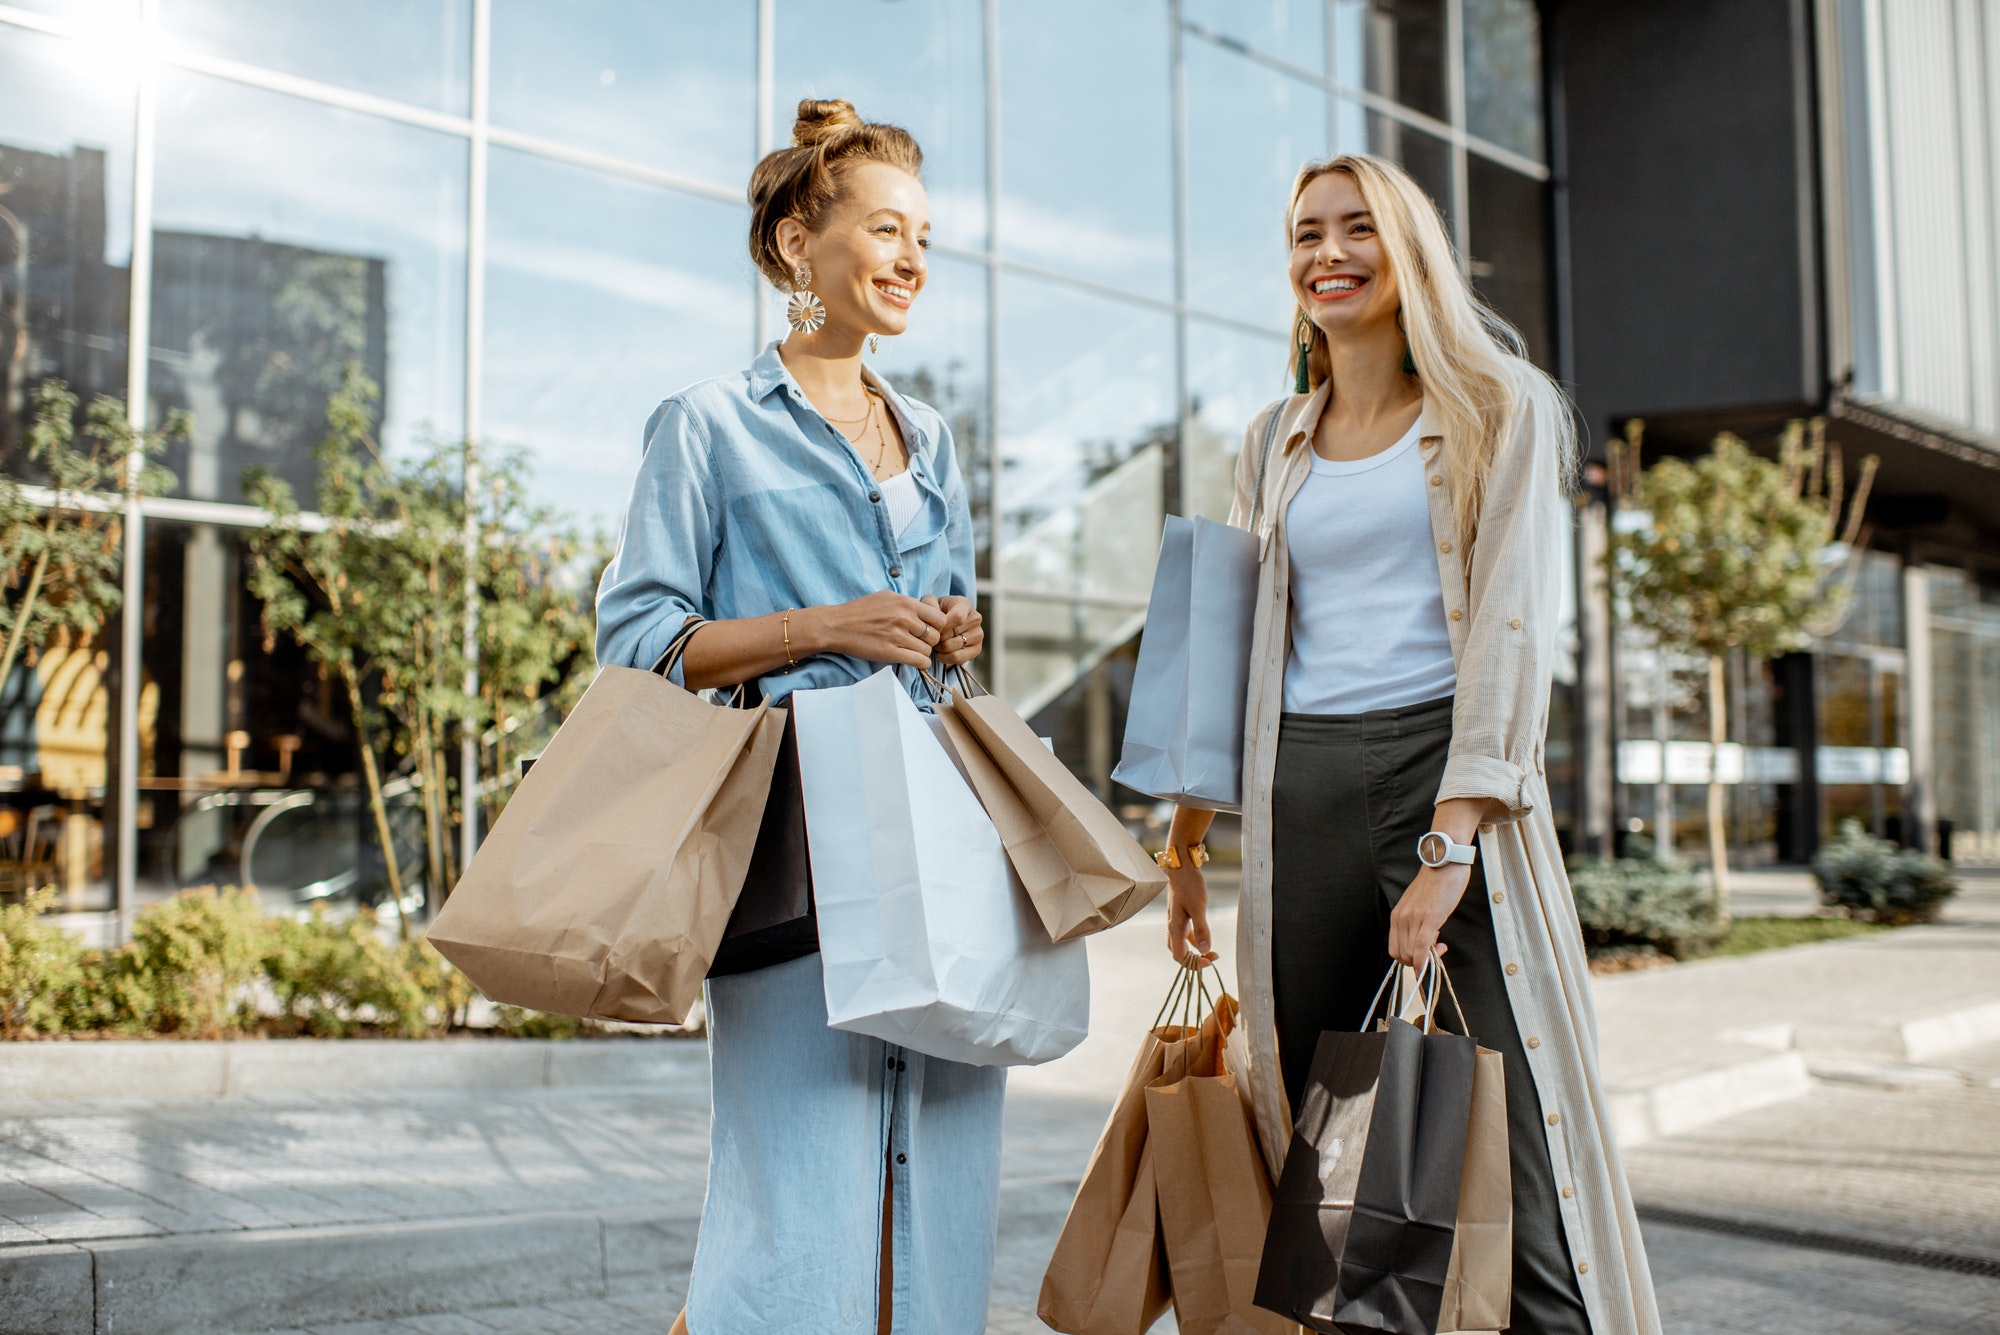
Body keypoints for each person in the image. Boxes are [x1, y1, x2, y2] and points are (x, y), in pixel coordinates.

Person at [1158, 155, 1663, 1335]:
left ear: (1410, 251)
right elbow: (1232, 639)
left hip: (1449, 794)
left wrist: (1450, 845)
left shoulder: (1499, 407)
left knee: (1508, 1163)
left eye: (1355, 230)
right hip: (1305, 803)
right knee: (1337, 1189)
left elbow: (1509, 627)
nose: (1325, 255)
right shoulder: (1270, 439)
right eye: (1303, 235)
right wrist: (1185, 842)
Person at [595, 99, 997, 1335]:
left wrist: (950, 639)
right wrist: (825, 625)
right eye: (883, 229)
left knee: (942, 1181)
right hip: (791, 848)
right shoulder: (705, 427)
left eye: (923, 234)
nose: (912, 257)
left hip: (935, 842)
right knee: (798, 1189)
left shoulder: (929, 438)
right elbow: (638, 643)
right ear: (792, 247)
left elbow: (953, 650)